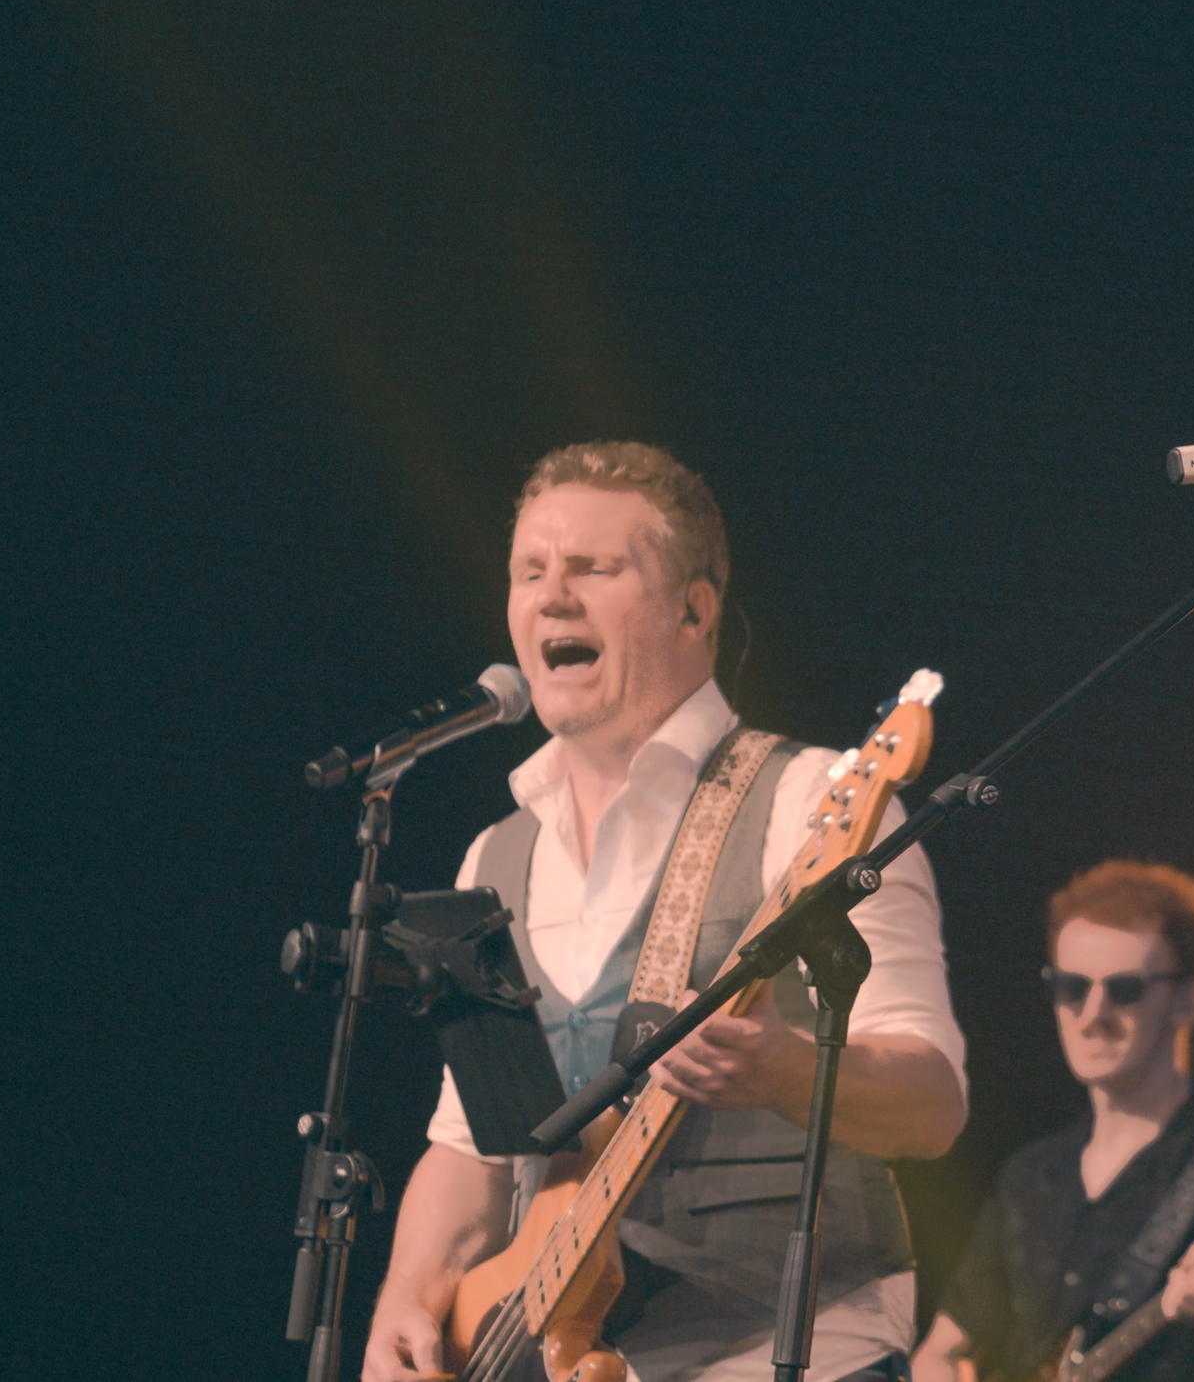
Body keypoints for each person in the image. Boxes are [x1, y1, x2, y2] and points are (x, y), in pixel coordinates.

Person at [362, 441, 969, 1382]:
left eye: (593, 569)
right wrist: (408, 1297)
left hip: (782, 1350)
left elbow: (932, 1105)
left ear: (696, 606)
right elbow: (468, 1146)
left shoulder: (815, 803)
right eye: (530, 571)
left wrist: (785, 1069)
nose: (551, 596)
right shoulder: (498, 855)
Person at [914, 860, 1194, 1382]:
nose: (1090, 1013)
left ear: (1188, 997)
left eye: (1124, 989)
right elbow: (940, 1353)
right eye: (1071, 987)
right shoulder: (1029, 1175)